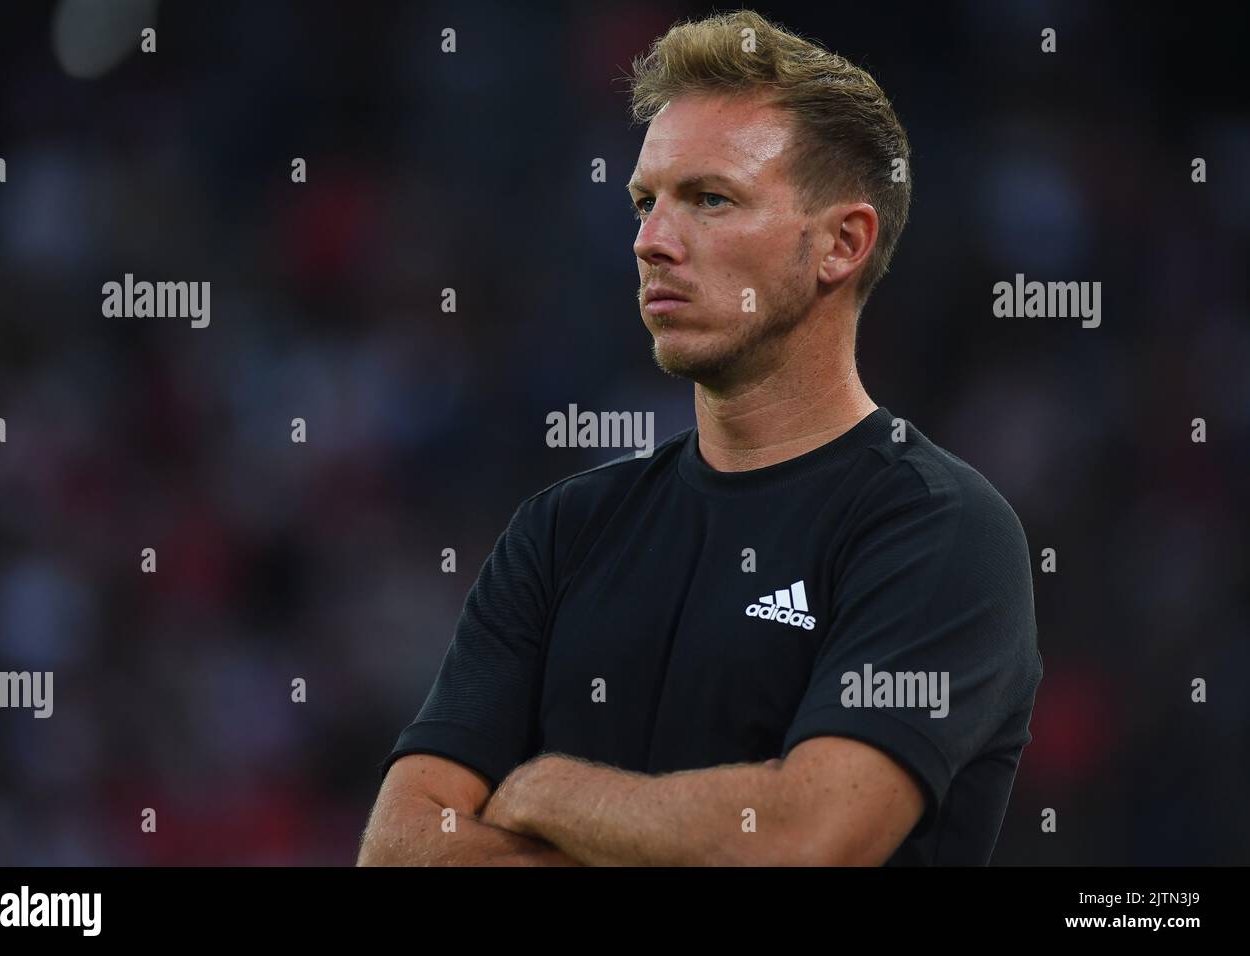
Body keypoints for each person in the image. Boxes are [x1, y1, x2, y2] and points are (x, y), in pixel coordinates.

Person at [357, 9, 1042, 867]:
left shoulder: (942, 532)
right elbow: (401, 848)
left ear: (842, 243)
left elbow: (804, 839)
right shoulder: (561, 532)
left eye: (709, 200)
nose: (650, 242)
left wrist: (552, 792)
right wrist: (689, 832)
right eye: (646, 203)